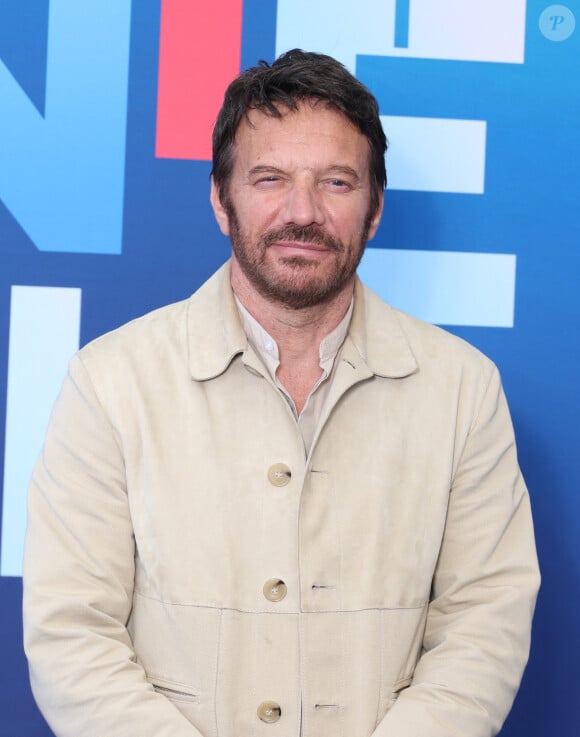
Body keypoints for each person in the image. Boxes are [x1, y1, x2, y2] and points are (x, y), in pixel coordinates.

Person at [23, 49, 539, 737]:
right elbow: (71, 634)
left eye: (336, 181)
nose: (304, 212)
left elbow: (485, 623)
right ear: (220, 198)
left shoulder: (463, 388)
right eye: (270, 178)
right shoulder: (111, 380)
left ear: (375, 208)